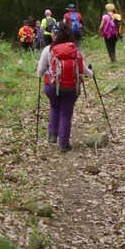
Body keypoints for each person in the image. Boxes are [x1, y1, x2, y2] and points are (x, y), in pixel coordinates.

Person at [36, 22, 93, 152]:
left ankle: (52, 134)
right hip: (71, 88)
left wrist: (46, 73)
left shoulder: (48, 49)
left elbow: (39, 72)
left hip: (52, 86)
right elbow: (83, 69)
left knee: (54, 107)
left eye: (52, 33)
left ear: (55, 35)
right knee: (66, 114)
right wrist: (91, 74)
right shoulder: (74, 49)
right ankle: (64, 145)